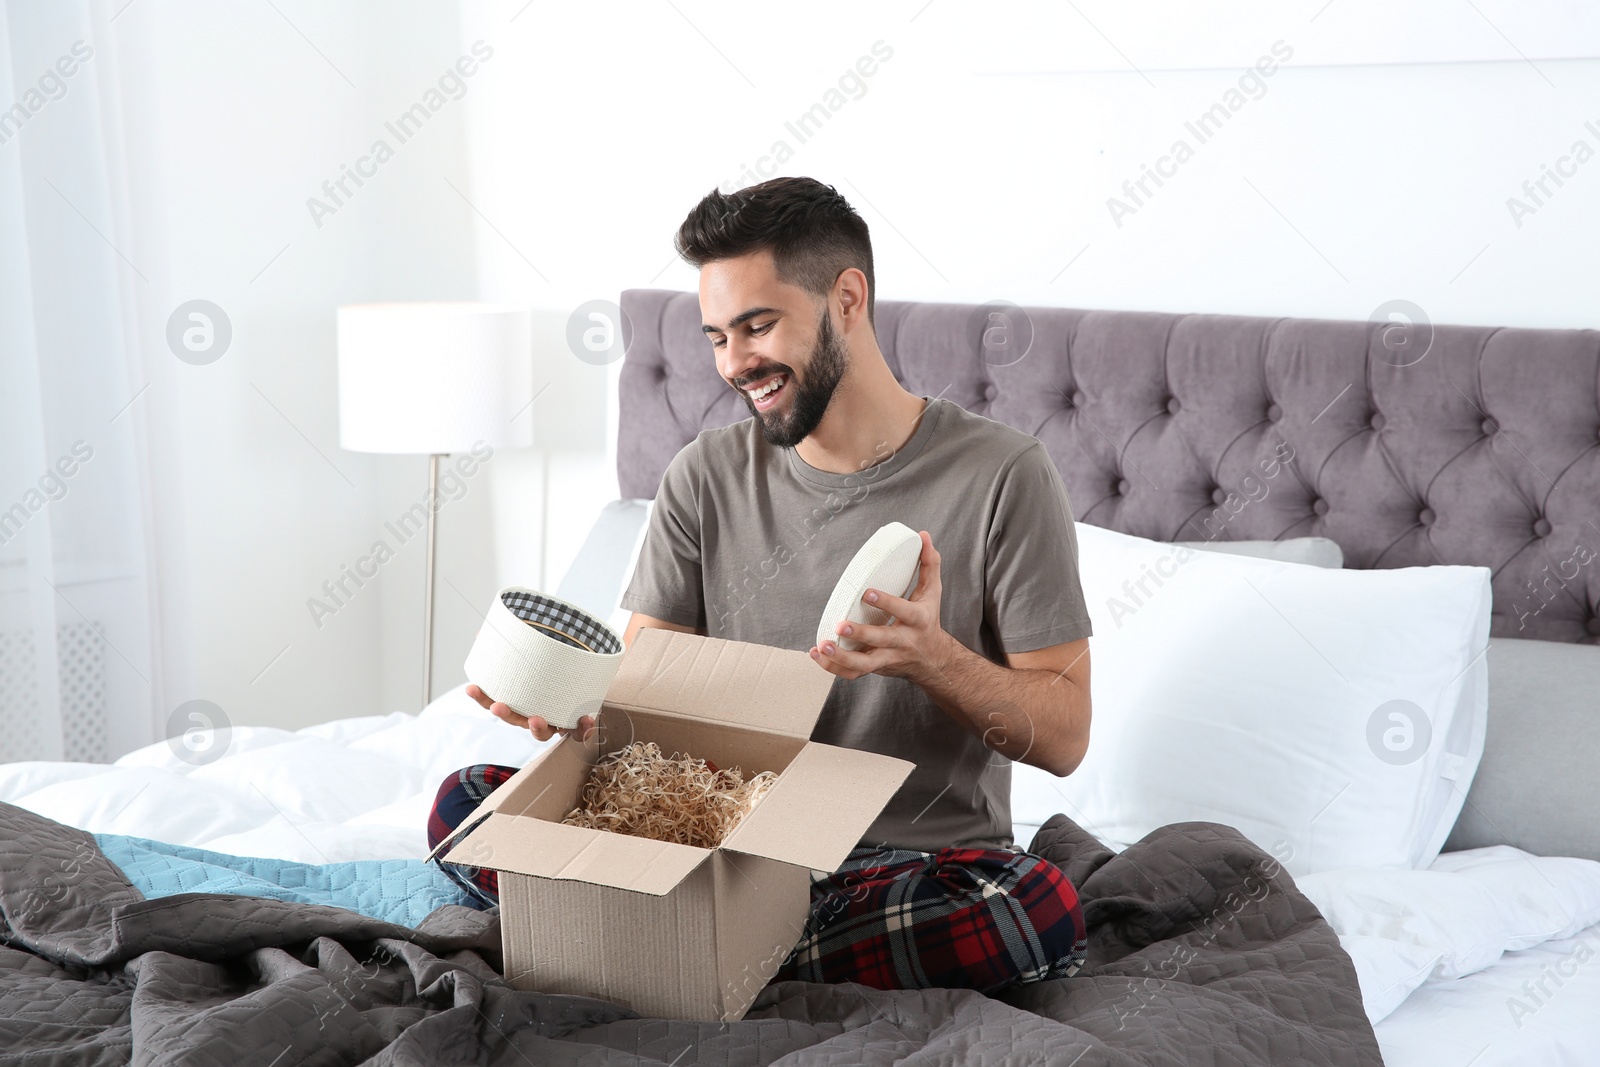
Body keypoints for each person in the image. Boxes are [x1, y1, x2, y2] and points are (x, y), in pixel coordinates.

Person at [430, 176, 1093, 994]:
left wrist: (932, 658)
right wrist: (572, 711)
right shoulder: (704, 475)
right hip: (720, 849)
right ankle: (723, 946)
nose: (734, 363)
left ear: (846, 298)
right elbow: (645, 696)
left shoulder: (1003, 474)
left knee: (1032, 906)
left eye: (757, 325)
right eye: (716, 335)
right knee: (464, 805)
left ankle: (666, 949)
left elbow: (1064, 736)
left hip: (898, 866)